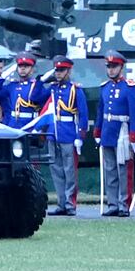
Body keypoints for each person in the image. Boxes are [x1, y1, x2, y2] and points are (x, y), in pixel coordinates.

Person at [93, 50, 135, 217]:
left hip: (122, 131)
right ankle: (112, 203)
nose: (111, 70)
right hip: (108, 131)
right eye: (109, 67)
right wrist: (97, 131)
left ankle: (124, 204)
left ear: (121, 67)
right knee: (110, 170)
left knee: (123, 170)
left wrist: (134, 137)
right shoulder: (105, 87)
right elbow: (101, 110)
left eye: (114, 67)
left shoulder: (130, 87)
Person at [46, 56, 88, 217]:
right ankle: (61, 203)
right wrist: (44, 78)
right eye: (56, 70)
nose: (58, 74)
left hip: (69, 133)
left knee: (69, 170)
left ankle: (70, 204)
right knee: (56, 170)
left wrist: (80, 136)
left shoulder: (75, 90)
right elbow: (36, 96)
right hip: (53, 132)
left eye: (61, 70)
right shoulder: (52, 88)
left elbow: (83, 115)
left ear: (69, 71)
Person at [1, 52, 49, 128]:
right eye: (20, 66)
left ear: (32, 69)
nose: (23, 68)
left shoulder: (36, 86)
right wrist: (2, 77)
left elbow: (43, 106)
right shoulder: (12, 85)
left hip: (29, 125)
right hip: (13, 125)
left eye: (26, 66)